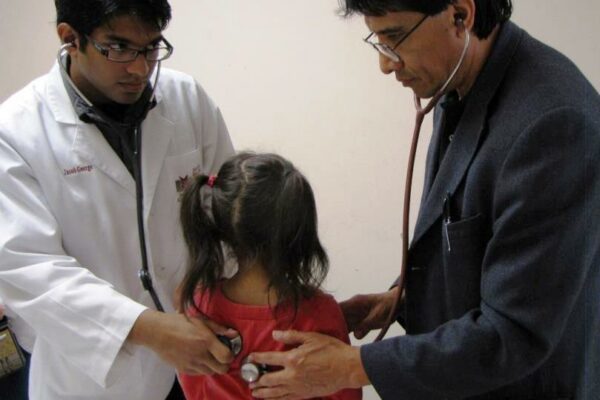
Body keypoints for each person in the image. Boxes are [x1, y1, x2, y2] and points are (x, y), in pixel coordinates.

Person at [248, 0, 600, 399]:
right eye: (378, 42)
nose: (386, 64)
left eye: (395, 37)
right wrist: (403, 298)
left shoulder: (555, 125)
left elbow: (513, 333)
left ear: (460, 15)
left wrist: (354, 366)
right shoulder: (458, 83)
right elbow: (472, 235)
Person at [0, 0, 236, 398]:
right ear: (70, 38)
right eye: (120, 48)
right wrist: (145, 327)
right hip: (94, 377)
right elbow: (28, 266)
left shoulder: (186, 99)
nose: (140, 68)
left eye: (151, 48)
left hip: (199, 355)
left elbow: (229, 210)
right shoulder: (16, 132)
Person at [176, 152, 362, 400]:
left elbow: (193, 387)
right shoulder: (320, 313)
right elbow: (346, 392)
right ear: (302, 238)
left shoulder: (199, 307)